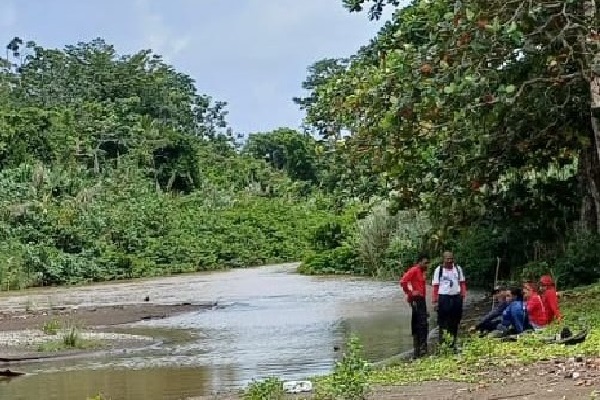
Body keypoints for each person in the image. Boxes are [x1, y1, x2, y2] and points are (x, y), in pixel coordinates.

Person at [432, 251, 466, 348]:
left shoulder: (458, 269)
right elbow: (435, 286)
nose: (450, 261)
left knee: (455, 321)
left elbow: (462, 283)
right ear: (443, 259)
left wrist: (462, 295)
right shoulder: (439, 270)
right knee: (443, 323)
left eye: (451, 258)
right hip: (444, 298)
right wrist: (435, 301)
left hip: (456, 297)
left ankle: (453, 343)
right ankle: (443, 344)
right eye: (448, 259)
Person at [399, 254, 430, 358]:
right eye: (425, 263)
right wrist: (410, 292)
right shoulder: (414, 270)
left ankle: (419, 349)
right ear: (419, 262)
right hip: (416, 300)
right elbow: (403, 281)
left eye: (427, 263)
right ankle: (420, 349)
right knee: (421, 324)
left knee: (421, 323)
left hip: (421, 299)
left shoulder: (422, 272)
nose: (427, 265)